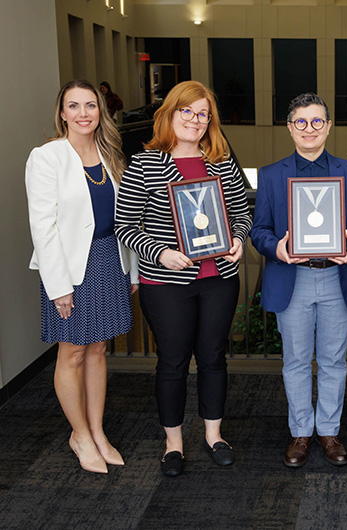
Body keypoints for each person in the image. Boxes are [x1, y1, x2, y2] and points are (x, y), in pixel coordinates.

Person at [115, 80, 251, 477]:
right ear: (170, 114)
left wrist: (239, 240)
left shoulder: (221, 162)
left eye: (202, 113)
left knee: (213, 358)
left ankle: (214, 435)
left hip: (219, 277)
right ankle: (173, 444)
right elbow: (125, 226)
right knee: (172, 362)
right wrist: (162, 253)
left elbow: (243, 212)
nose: (194, 120)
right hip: (166, 283)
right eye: (186, 111)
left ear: (211, 120)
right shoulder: (145, 164)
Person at [251, 93, 347, 468]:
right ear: (290, 128)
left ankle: (329, 431)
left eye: (316, 121)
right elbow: (259, 231)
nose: (309, 129)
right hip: (293, 278)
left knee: (335, 360)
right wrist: (278, 249)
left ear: (328, 126)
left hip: (338, 277)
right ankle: (301, 432)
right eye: (301, 122)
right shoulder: (272, 175)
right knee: (297, 361)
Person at [25, 79, 138, 474]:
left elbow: (124, 220)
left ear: (100, 111)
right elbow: (43, 227)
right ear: (62, 113)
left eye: (90, 105)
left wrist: (133, 268)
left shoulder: (109, 154)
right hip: (70, 266)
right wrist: (59, 287)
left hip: (109, 258)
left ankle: (98, 430)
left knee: (98, 349)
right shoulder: (47, 157)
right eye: (74, 106)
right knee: (72, 351)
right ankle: (80, 435)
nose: (83, 113)